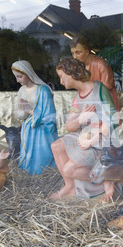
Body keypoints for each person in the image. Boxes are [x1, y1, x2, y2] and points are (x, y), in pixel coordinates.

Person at [50, 58, 118, 201]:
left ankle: (105, 178)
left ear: (72, 73)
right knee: (56, 146)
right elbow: (69, 127)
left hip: (100, 141)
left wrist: (93, 139)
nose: (61, 82)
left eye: (62, 77)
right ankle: (70, 186)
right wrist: (81, 118)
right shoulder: (78, 97)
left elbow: (112, 119)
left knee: (69, 169)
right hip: (84, 136)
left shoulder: (99, 90)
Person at [12, 60, 58, 175]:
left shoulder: (43, 90)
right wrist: (24, 112)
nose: (17, 80)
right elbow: (18, 112)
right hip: (28, 129)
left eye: (20, 76)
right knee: (28, 156)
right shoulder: (21, 90)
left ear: (28, 73)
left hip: (42, 131)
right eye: (16, 77)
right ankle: (29, 174)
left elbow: (50, 116)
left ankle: (44, 174)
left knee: (42, 154)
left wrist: (31, 111)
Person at [69, 36, 120, 112]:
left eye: (78, 52)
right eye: (73, 53)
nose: (75, 57)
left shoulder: (101, 64)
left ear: (87, 51)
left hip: (105, 107)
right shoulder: (78, 66)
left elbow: (106, 89)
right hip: (88, 108)